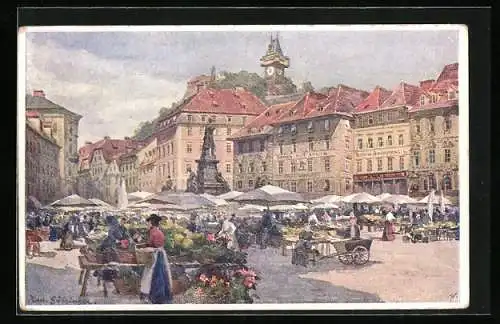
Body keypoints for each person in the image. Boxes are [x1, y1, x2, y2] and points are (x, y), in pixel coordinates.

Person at [139, 214, 173, 304]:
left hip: (156, 255)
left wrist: (141, 243)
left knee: (154, 275)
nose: (147, 224)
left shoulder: (154, 232)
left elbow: (152, 244)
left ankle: (155, 296)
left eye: (148, 222)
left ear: (152, 223)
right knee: (159, 274)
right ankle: (156, 296)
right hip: (159, 253)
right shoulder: (158, 231)